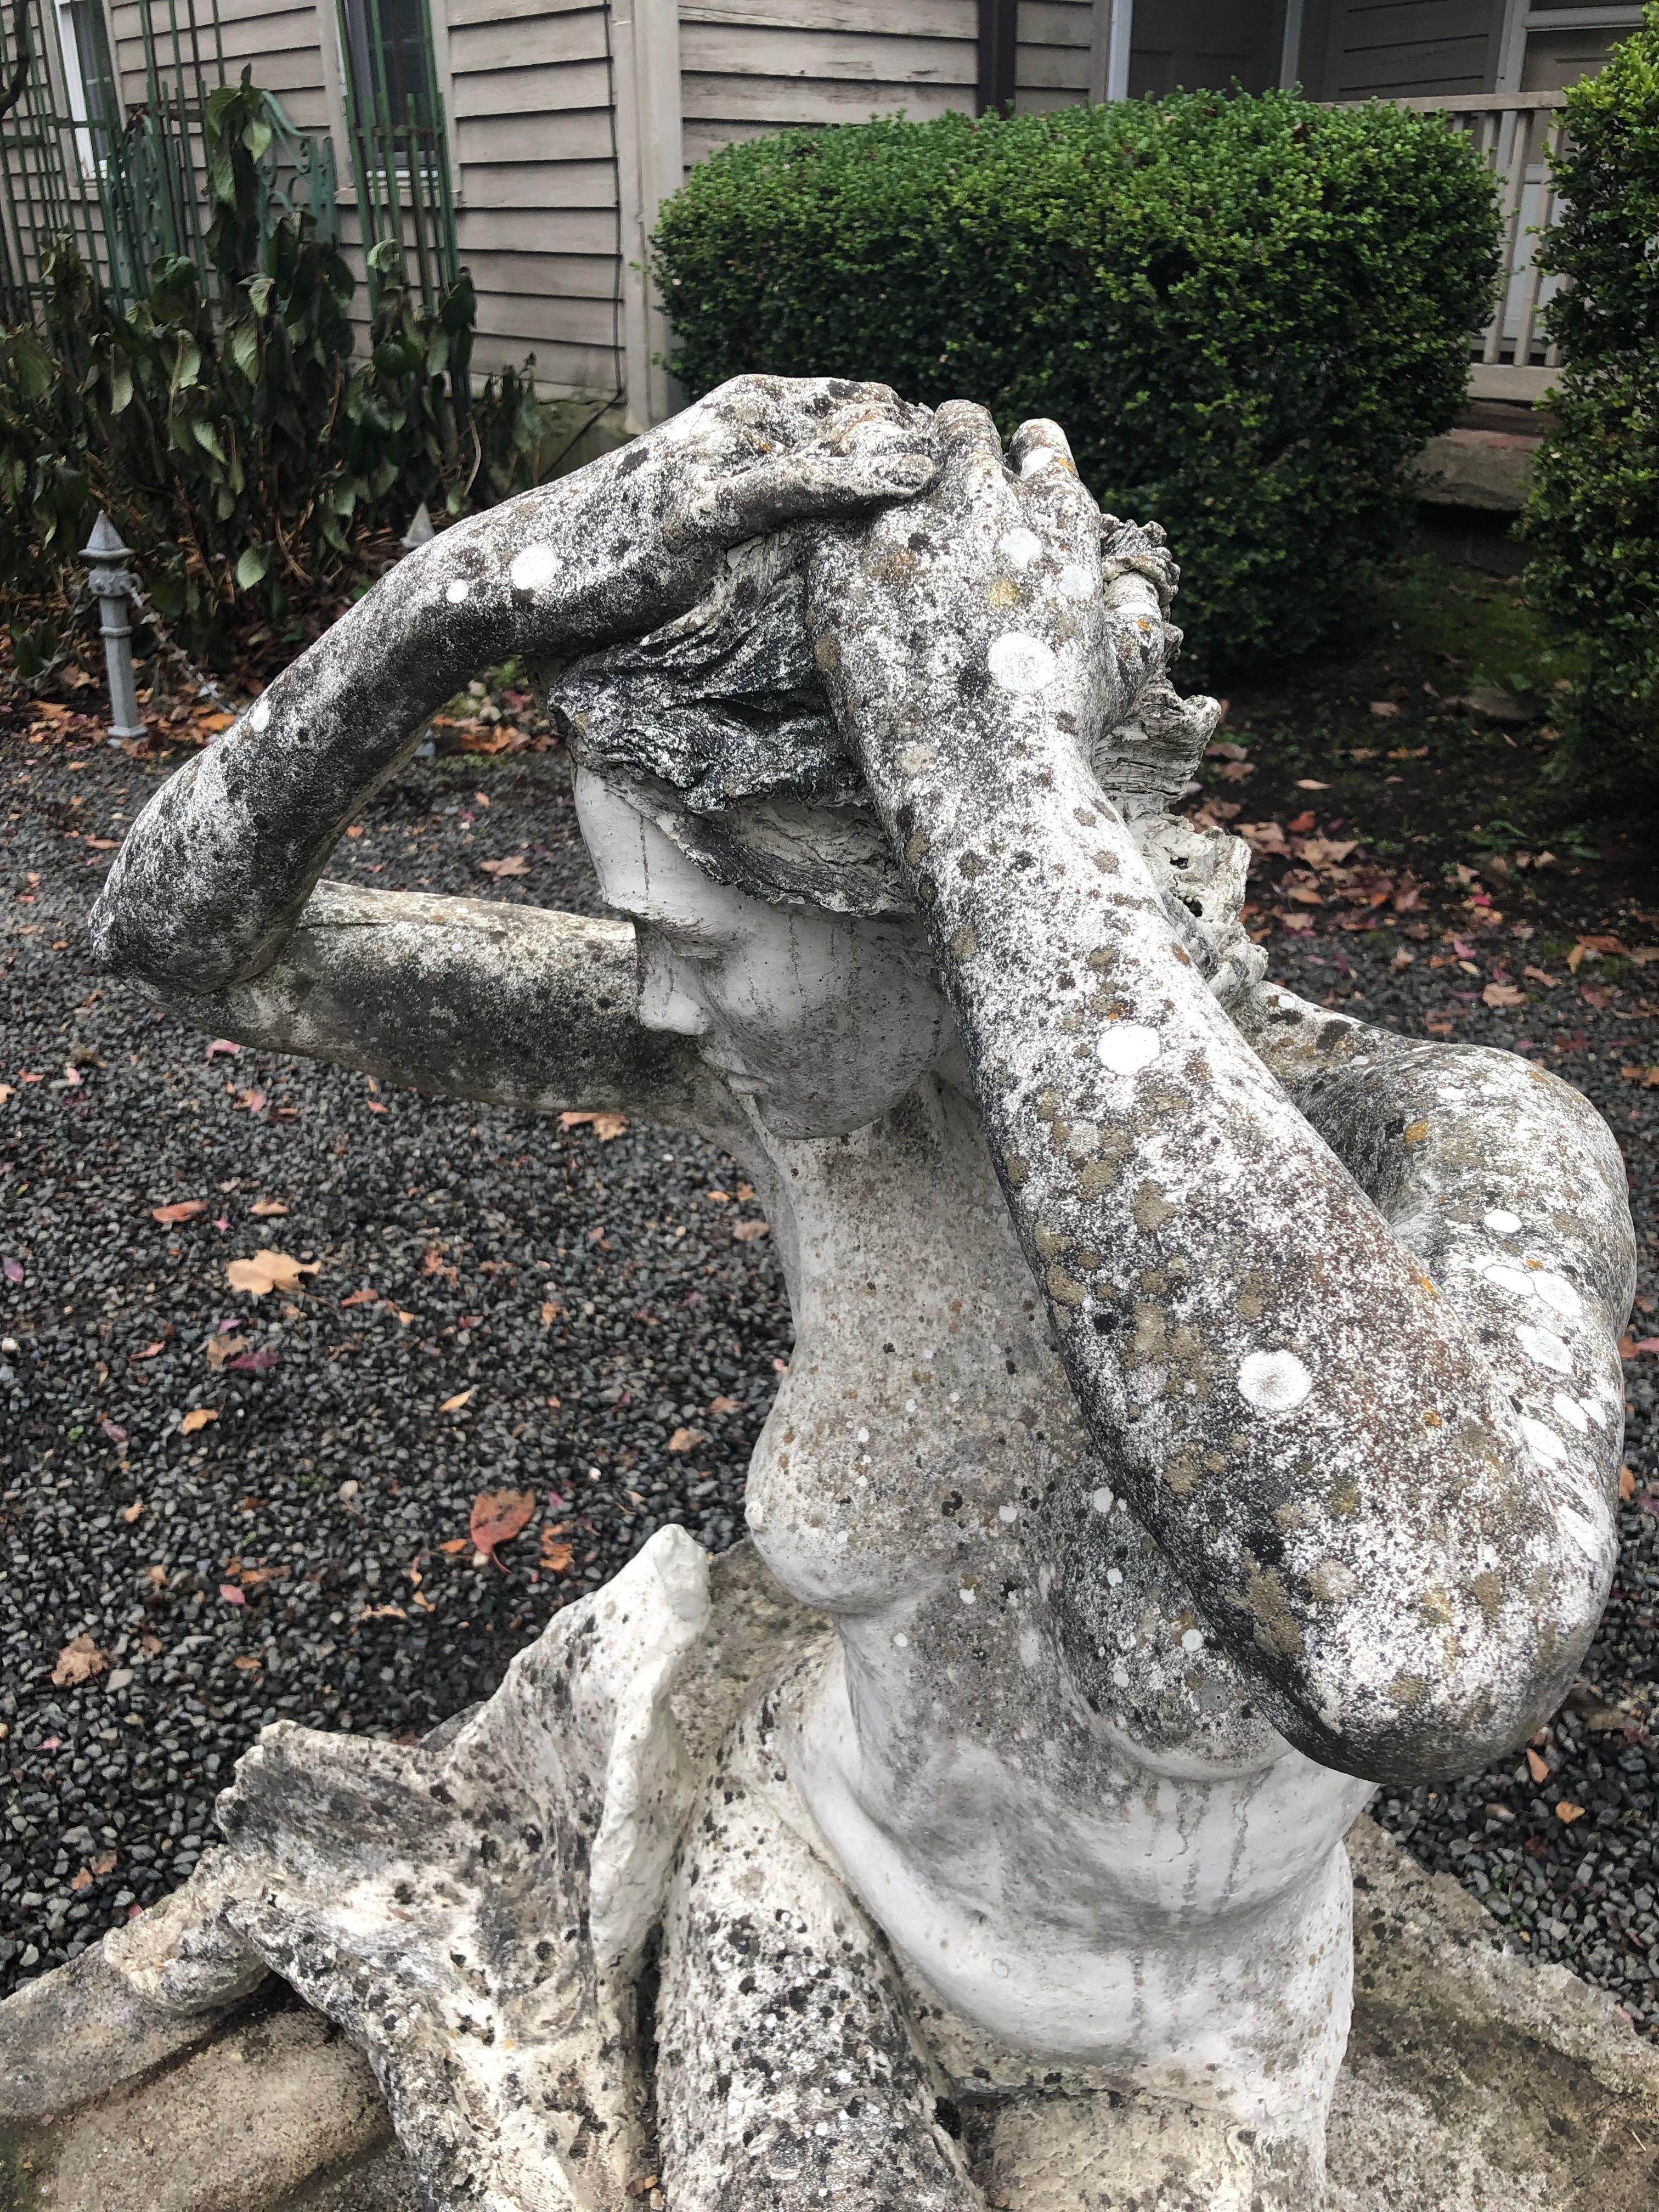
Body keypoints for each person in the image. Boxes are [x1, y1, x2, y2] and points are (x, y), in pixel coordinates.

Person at [88, 381, 1633, 2210]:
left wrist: (991, 786)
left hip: (1180, 2055)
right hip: (798, 1872)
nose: (658, 1004)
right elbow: (188, 944)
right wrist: (465, 588)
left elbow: (1422, 1655)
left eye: (699, 944)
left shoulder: (1457, 1148)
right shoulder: (804, 1078)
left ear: (932, 902)